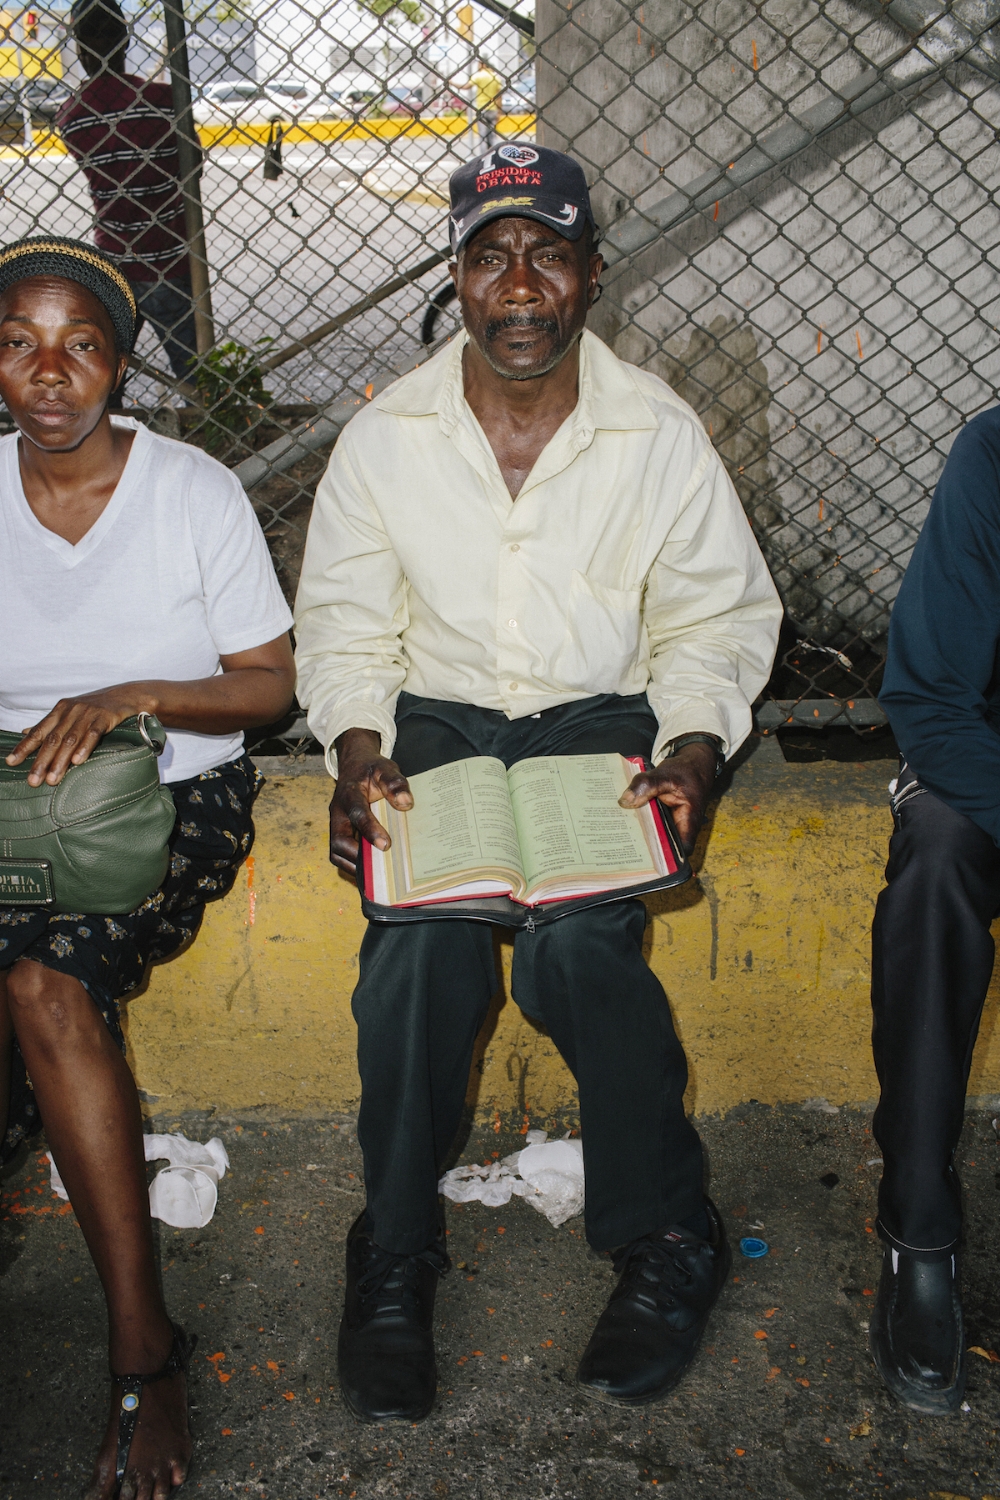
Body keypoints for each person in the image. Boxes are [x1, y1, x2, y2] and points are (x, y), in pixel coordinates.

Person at [294, 144, 782, 1423]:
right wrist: (357, 751)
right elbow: (345, 627)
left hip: (597, 719)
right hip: (437, 727)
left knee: (579, 950)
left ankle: (668, 1232)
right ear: (457, 276)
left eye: (547, 256)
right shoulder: (387, 437)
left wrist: (690, 751)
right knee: (419, 956)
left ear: (591, 276)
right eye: (491, 257)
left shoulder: (657, 433)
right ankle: (394, 1248)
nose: (519, 286)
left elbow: (713, 620)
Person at [0, 235, 294, 1495]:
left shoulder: (190, 492)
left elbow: (268, 686)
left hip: (169, 793)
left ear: (120, 364)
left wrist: (130, 696)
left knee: (45, 985)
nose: (48, 374)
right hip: (13, 802)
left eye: (80, 346)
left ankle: (145, 1354)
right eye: (19, 344)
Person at [869, 409, 1000, 1413]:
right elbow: (929, 696)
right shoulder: (994, 453)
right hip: (984, 765)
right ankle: (919, 1228)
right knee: (935, 866)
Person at [57, 0, 197, 395]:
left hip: (114, 260)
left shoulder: (72, 115)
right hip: (169, 257)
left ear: (79, 46)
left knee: (106, 377)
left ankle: (109, 428)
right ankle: (204, 421)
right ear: (125, 40)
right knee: (193, 372)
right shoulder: (166, 100)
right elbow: (193, 166)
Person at [455, 57, 502, 147]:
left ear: (482, 64)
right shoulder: (496, 77)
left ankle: (484, 154)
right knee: (492, 135)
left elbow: (465, 87)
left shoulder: (478, 76)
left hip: (481, 109)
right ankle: (494, 151)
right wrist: (499, 111)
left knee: (483, 136)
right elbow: (499, 97)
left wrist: (451, 83)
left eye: (478, 64)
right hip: (493, 109)